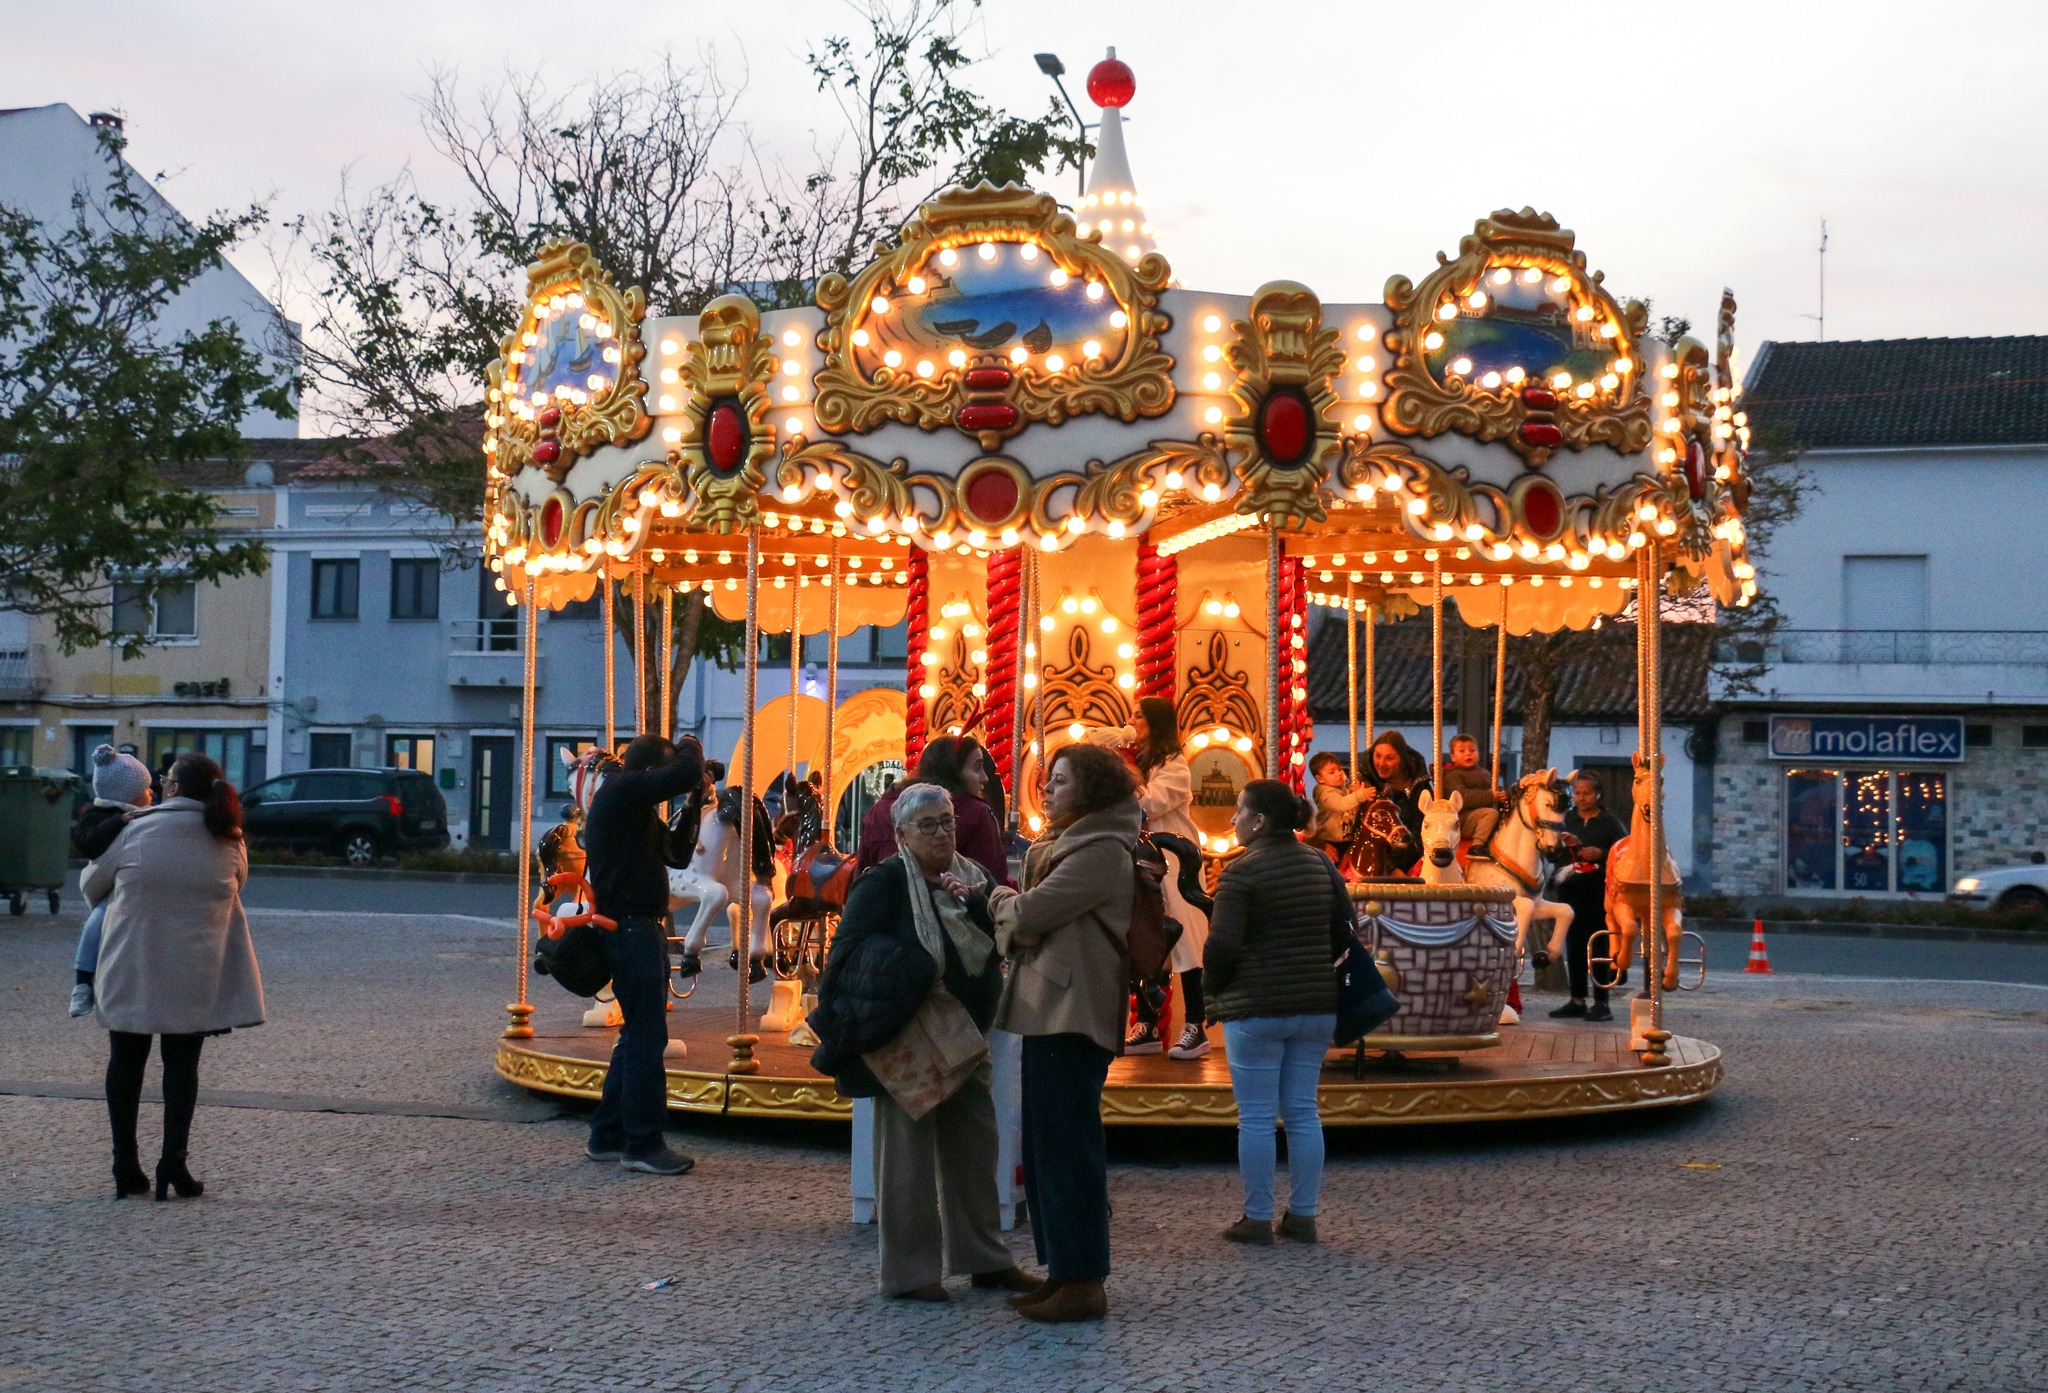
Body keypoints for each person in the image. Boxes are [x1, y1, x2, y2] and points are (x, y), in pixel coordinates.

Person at [808, 783, 1035, 1302]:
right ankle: (910, 1274)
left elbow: (999, 940)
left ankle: (986, 1260)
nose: (941, 832)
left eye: (948, 821)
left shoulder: (972, 878)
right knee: (906, 1162)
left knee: (976, 1150)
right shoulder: (883, 883)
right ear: (903, 833)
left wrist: (976, 907)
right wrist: (904, 972)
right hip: (909, 1039)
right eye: (928, 824)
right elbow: (844, 958)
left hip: (964, 1039)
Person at [985, 742, 1139, 1324]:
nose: (1048, 789)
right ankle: (1063, 1269)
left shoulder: (1100, 850)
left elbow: (1031, 916)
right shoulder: (1071, 843)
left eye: (1061, 781)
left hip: (1075, 1012)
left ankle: (1083, 1279)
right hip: (1050, 1006)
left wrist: (997, 897)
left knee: (1069, 1147)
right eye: (1049, 780)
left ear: (1093, 790)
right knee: (1045, 1146)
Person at [84, 753, 263, 1200]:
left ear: (176, 789)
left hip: (133, 965)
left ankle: (125, 1165)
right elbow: (237, 884)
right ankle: (174, 1164)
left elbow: (92, 886)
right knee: (182, 1067)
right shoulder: (229, 838)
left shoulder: (135, 829)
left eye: (165, 780)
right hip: (195, 972)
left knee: (125, 1064)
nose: (161, 785)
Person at [1204, 779, 1341, 1245]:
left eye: (1239, 811)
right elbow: (1346, 929)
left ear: (1258, 821)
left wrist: (1211, 992)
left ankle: (1258, 1217)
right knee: (1303, 1112)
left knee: (1258, 1118)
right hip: (1317, 1006)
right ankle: (1303, 1216)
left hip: (1257, 1006)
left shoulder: (1241, 873)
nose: (1233, 819)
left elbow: (1222, 946)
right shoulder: (1321, 862)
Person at [580, 732, 704, 1175]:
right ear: (651, 772)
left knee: (635, 1036)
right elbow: (685, 770)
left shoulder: (631, 805)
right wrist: (690, 748)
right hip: (632, 928)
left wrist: (693, 804)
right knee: (648, 1037)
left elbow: (674, 854)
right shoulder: (624, 789)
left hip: (632, 927)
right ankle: (644, 1144)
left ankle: (608, 1134)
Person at [1087, 697, 1212, 1060]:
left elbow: (1149, 804)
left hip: (1175, 860)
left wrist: (1124, 778)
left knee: (1186, 940)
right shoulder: (1140, 760)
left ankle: (1196, 1025)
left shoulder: (1176, 766)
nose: (1131, 720)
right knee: (1143, 936)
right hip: (1143, 858)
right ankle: (1147, 1022)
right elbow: (1095, 742)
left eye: (1138, 716)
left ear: (1156, 723)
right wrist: (1124, 735)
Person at [855, 736, 1010, 887]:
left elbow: (861, 874)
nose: (984, 778)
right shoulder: (976, 812)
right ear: (952, 770)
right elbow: (992, 884)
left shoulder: (878, 810)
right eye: (977, 768)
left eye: (948, 822)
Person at [69, 745, 154, 1017]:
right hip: (110, 885)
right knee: (96, 922)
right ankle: (82, 983)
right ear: (128, 793)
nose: (152, 793)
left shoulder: (149, 814)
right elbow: (87, 844)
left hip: (135, 882)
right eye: (146, 788)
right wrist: (119, 821)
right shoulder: (98, 814)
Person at [1549, 771, 1626, 1024]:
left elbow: (1623, 854)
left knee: (1599, 944)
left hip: (1599, 893)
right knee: (1574, 944)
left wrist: (1600, 854)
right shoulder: (1566, 819)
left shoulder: (1609, 823)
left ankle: (1602, 1001)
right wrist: (1565, 845)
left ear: (1598, 795)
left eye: (1587, 793)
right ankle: (1577, 999)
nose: (1581, 798)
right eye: (1578, 793)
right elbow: (1551, 855)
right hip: (1570, 890)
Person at [1363, 730, 1432, 855]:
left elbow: (1425, 828)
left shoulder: (1419, 786)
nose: (1381, 763)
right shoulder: (1368, 788)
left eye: (1390, 758)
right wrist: (1392, 867)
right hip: (1380, 859)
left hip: (1416, 856)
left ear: (1402, 758)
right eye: (1377, 756)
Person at [1437, 734, 1502, 849]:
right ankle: (1478, 845)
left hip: (1480, 814)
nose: (1468, 753)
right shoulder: (1452, 775)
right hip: (1462, 818)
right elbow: (1461, 797)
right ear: (1453, 757)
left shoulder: (1484, 773)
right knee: (1491, 814)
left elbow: (1494, 791)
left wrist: (1501, 795)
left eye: (1472, 750)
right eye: (1462, 751)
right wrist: (1490, 796)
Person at [1305, 751, 1371, 862]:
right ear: (1320, 779)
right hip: (1331, 840)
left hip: (1347, 838)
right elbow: (1340, 804)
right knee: (1335, 863)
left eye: (1339, 769)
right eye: (1332, 772)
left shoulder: (1341, 788)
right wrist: (1359, 795)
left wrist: (1354, 791)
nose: (1339, 773)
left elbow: (1351, 805)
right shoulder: (1323, 792)